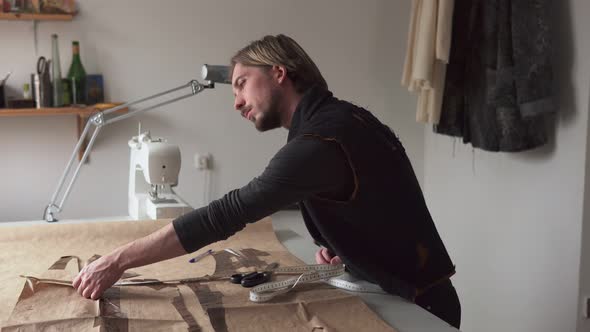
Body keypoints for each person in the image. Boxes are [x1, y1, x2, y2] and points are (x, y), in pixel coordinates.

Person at [73, 34, 461, 329]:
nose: (236, 100)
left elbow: (226, 214)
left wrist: (117, 260)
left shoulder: (319, 143)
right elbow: (379, 204)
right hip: (414, 293)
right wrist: (353, 250)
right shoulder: (342, 120)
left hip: (418, 310)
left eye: (242, 82)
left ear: (279, 72)